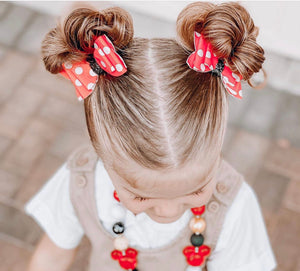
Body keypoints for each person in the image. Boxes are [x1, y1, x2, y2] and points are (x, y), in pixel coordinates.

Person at [25, 1, 277, 271]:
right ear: (103, 154)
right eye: (142, 197)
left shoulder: (234, 206)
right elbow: (51, 257)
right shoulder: (80, 182)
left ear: (218, 143)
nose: (167, 213)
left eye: (195, 191)